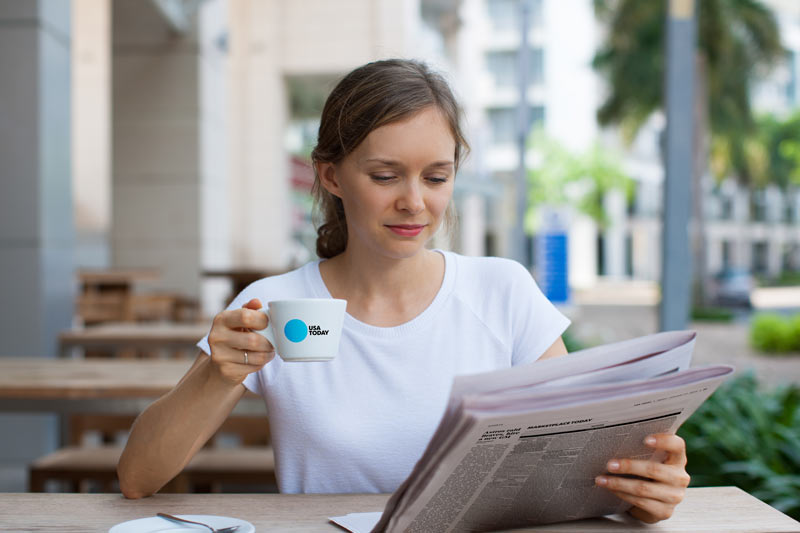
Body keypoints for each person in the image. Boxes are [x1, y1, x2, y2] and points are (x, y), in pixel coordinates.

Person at [118, 58, 690, 523]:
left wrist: (641, 491)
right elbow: (138, 478)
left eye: (436, 177)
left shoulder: (502, 291)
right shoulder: (273, 306)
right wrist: (217, 372)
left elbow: (574, 459)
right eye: (386, 175)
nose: (415, 202)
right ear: (331, 176)